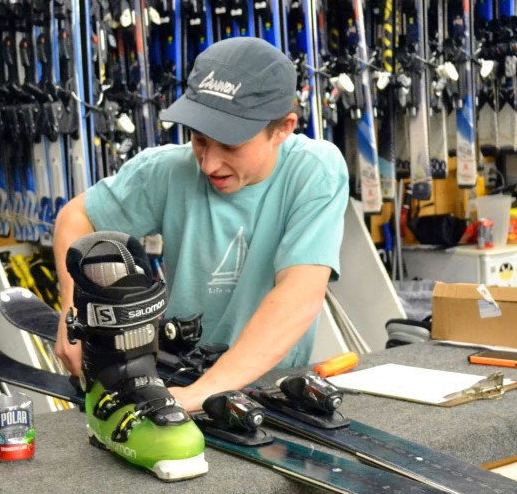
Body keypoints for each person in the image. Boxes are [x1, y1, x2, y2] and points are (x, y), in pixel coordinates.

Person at [53, 36, 349, 413]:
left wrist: (200, 394)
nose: (209, 164)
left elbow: (299, 295)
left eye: (230, 146)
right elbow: (75, 218)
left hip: (265, 394)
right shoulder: (167, 170)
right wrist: (75, 312)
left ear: (283, 128)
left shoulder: (315, 170)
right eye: (199, 140)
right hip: (175, 378)